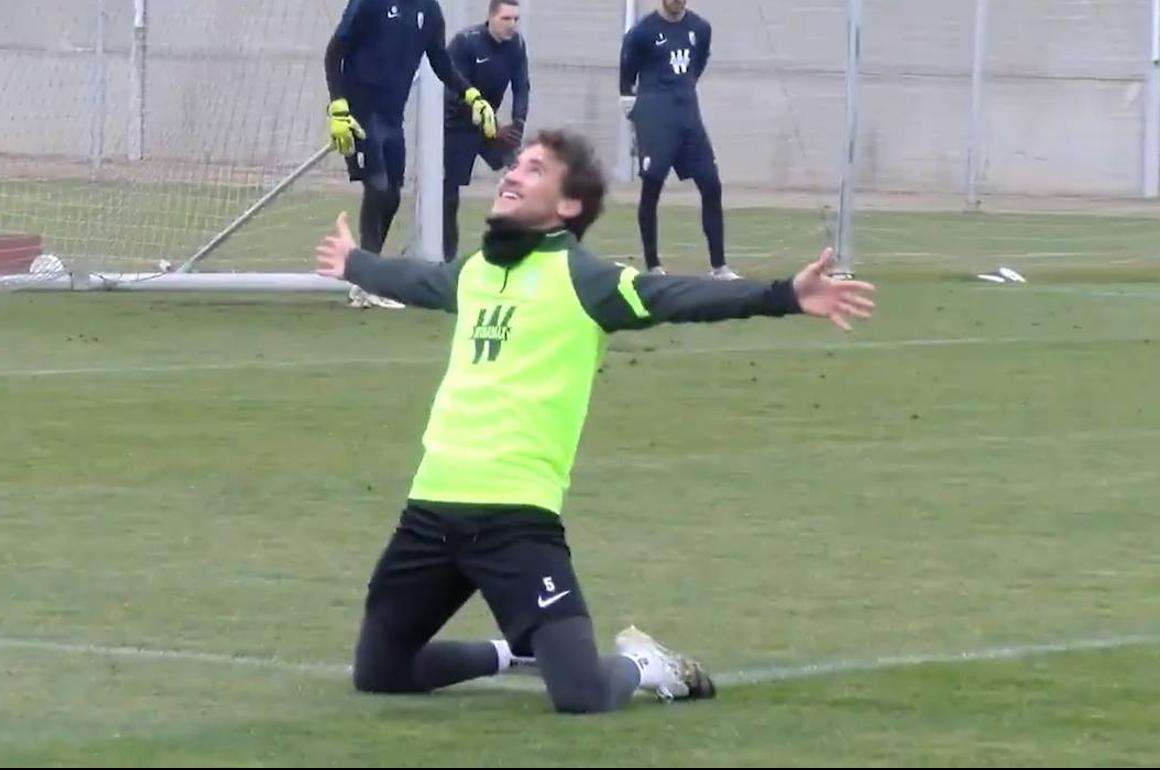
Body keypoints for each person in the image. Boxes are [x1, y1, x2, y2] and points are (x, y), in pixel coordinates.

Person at [314, 128, 876, 714]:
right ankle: (517, 654)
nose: (511, 174)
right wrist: (355, 263)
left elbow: (675, 296)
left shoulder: (586, 281)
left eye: (534, 169)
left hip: (516, 519)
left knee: (581, 697)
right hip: (430, 512)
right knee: (379, 671)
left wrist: (783, 294)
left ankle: (645, 663)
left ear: (568, 206)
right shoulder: (475, 272)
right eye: (515, 164)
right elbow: (417, 281)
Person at [324, 0, 498, 308]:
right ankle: (366, 283)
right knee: (377, 188)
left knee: (391, 194)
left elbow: (441, 61)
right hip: (360, 112)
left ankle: (367, 276)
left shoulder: (429, 9)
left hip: (393, 116)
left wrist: (472, 95)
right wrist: (338, 105)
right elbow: (335, 51)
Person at [620, 0, 734, 278]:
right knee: (652, 186)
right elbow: (626, 77)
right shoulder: (642, 33)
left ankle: (719, 266)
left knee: (711, 184)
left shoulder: (700, 28)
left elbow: (699, 63)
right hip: (656, 119)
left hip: (688, 118)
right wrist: (639, 115)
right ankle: (653, 265)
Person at [442, 0, 530, 261]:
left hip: (493, 129)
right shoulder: (465, 42)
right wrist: (490, 125)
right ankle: (445, 257)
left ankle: (518, 246)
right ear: (490, 17)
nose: (512, 25)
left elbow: (521, 87)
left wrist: (517, 123)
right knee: (449, 195)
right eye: (506, 19)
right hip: (457, 126)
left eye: (516, 19)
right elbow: (454, 92)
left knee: (522, 175)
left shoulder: (517, 44)